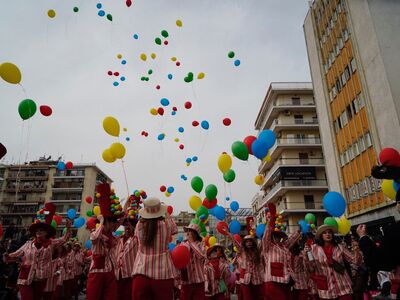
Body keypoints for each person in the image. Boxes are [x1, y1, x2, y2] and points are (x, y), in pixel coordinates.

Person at [3, 202, 71, 300]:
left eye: (41, 230)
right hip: (25, 277)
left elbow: (64, 239)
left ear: (47, 233)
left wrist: (68, 228)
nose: (38, 231)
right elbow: (15, 254)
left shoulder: (51, 243)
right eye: (37, 230)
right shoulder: (28, 244)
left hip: (41, 278)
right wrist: (7, 255)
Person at [131, 197, 178, 300]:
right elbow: (175, 230)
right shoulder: (166, 224)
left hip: (141, 275)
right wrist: (166, 213)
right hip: (162, 275)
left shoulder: (139, 225)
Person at [304, 224, 362, 300]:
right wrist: (306, 255)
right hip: (326, 287)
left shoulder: (340, 247)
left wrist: (356, 250)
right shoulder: (314, 248)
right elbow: (311, 268)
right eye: (325, 233)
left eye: (329, 232)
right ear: (321, 235)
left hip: (343, 285)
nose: (328, 234)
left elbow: (355, 261)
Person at [86, 183, 121, 300]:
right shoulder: (96, 232)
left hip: (110, 270)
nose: (114, 224)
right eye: (112, 222)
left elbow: (118, 224)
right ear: (107, 221)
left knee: (111, 296)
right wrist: (101, 222)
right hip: (97, 272)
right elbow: (94, 238)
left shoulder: (111, 235)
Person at [262, 204, 301, 300]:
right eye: (276, 236)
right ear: (272, 236)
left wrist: (299, 231)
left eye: (280, 236)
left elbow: (291, 240)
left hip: (286, 281)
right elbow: (266, 235)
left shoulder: (284, 247)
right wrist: (270, 220)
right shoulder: (268, 246)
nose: (278, 238)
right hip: (273, 282)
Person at [230, 234, 264, 300]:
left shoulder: (258, 251)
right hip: (244, 279)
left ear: (253, 243)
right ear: (244, 243)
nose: (249, 243)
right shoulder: (242, 251)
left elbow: (263, 243)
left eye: (250, 241)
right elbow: (235, 243)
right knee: (247, 297)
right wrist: (229, 233)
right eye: (247, 242)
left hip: (256, 278)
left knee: (255, 297)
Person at [180, 222, 206, 300]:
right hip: (186, 282)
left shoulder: (201, 244)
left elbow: (201, 256)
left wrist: (192, 243)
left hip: (199, 281)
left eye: (190, 231)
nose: (188, 233)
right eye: (187, 231)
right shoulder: (183, 245)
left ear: (195, 234)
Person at [115, 216, 138, 300]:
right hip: (117, 274)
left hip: (129, 274)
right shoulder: (118, 239)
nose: (127, 227)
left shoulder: (136, 239)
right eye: (125, 225)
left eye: (130, 225)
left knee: (128, 296)